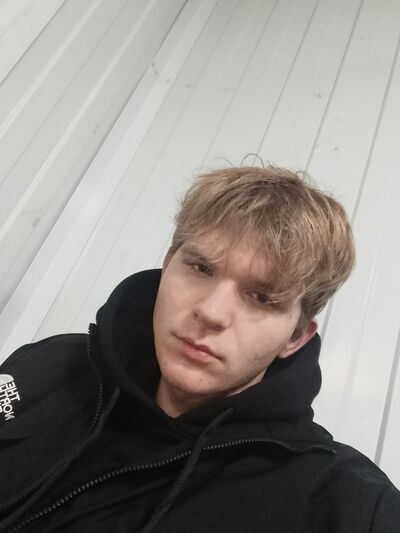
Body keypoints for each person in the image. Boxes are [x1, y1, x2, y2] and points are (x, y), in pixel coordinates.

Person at [0, 166, 399, 532]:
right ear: (167, 264)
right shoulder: (54, 362)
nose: (211, 312)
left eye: (262, 297)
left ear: (295, 337)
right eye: (201, 268)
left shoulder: (339, 500)